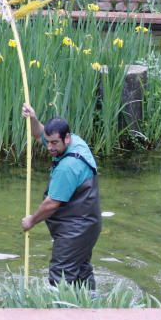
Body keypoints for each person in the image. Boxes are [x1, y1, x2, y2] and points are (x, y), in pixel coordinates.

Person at [20, 103, 102, 289]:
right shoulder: (75, 142)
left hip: (75, 230)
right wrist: (33, 118)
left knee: (61, 276)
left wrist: (31, 221)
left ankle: (56, 312)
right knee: (81, 271)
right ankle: (92, 306)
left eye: (54, 143)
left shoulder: (68, 167)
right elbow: (38, 133)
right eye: (48, 142)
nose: (49, 147)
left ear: (66, 138)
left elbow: (51, 204)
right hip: (88, 224)